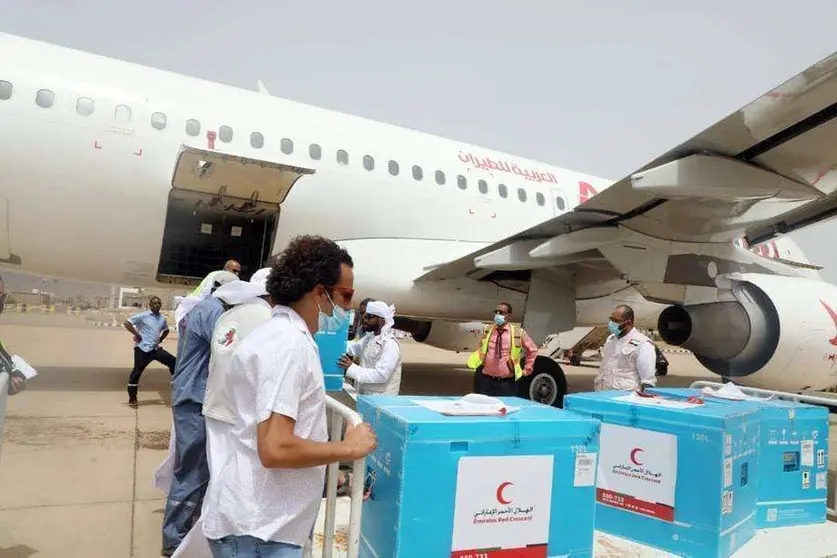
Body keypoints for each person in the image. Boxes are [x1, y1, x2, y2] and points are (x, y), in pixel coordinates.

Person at [201, 235, 377, 558]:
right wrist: (347, 448)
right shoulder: (289, 344)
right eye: (346, 295)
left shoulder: (279, 334)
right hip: (260, 531)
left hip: (262, 525)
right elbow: (275, 447)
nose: (348, 308)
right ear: (318, 291)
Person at [161, 270, 238, 556]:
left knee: (199, 469)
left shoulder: (206, 308)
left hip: (195, 398)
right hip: (195, 400)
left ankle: (187, 531)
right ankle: (173, 538)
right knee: (192, 471)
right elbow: (231, 349)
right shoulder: (212, 311)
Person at [467, 302, 538, 397]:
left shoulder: (517, 333)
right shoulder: (488, 330)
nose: (497, 315)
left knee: (505, 409)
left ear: (508, 316)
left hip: (507, 383)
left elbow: (532, 350)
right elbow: (482, 347)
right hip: (486, 381)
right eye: (496, 312)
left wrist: (527, 369)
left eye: (501, 312)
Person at [338, 300, 402, 396]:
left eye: (369, 317)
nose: (365, 320)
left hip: (381, 401)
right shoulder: (369, 338)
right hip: (365, 396)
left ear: (381, 320)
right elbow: (351, 349)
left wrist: (351, 368)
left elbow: (381, 375)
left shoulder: (390, 344)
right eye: (364, 317)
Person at [124, 296, 176, 408]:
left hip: (155, 349)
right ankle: (132, 398)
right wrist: (137, 334)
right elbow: (127, 323)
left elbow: (166, 330)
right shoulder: (143, 316)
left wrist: (161, 339)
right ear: (150, 305)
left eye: (159, 303)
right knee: (136, 373)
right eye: (154, 303)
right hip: (142, 349)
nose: (157, 305)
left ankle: (176, 386)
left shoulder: (162, 318)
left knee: (174, 362)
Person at [593, 304, 657, 392]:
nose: (611, 323)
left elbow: (647, 380)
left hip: (625, 396)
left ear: (628, 323)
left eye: (615, 321)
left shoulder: (643, 344)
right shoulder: (610, 339)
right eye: (611, 319)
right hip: (603, 393)